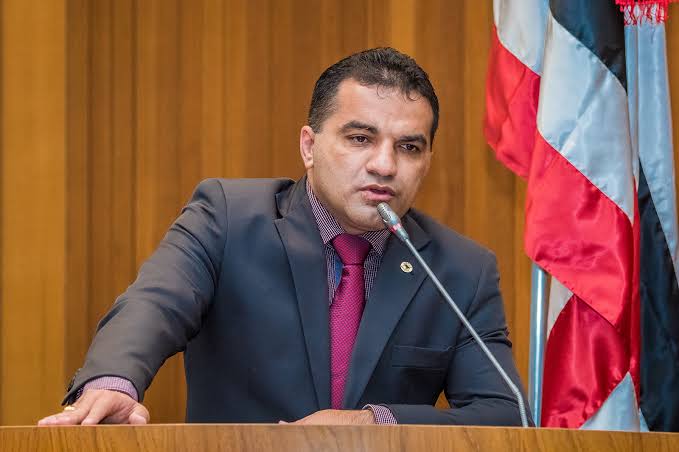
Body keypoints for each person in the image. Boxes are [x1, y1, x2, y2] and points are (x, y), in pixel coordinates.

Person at [38, 48, 529, 426]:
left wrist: (372, 423)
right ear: (309, 146)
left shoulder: (459, 270)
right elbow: (154, 304)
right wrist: (115, 382)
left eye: (409, 147)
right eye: (360, 139)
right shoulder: (228, 219)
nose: (384, 164)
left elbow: (503, 413)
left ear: (426, 162)